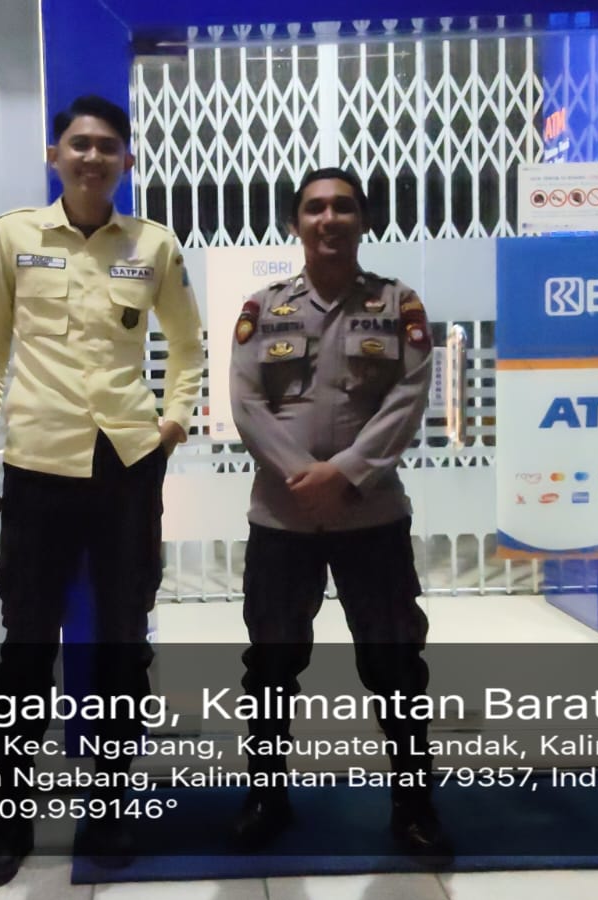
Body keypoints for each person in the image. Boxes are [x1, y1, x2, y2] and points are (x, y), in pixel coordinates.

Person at [0, 95, 204, 887]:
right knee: (27, 646)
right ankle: (12, 817)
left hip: (125, 466)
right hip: (38, 466)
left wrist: (172, 422)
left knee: (124, 643)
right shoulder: (14, 237)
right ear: (55, 154)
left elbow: (190, 345)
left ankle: (109, 804)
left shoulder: (153, 245)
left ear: (126, 161)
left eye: (106, 146)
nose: (92, 156)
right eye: (79, 144)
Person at [226, 167, 451, 862]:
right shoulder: (263, 307)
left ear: (363, 220)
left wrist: (346, 474)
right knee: (269, 665)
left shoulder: (398, 303)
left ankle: (413, 806)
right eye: (315, 207)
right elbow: (245, 402)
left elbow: (409, 396)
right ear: (296, 223)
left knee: (396, 664)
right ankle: (267, 797)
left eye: (343, 207)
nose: (329, 218)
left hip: (371, 517)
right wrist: (305, 477)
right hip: (282, 518)